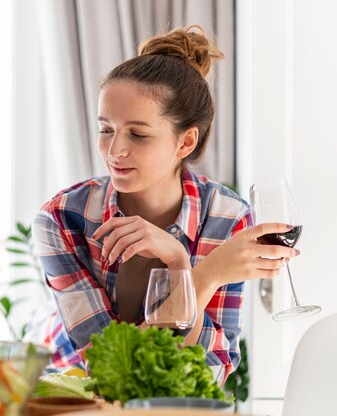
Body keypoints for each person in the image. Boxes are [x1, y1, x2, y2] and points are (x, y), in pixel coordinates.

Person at [32, 25, 298, 384]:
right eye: (106, 129)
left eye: (138, 134)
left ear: (185, 142)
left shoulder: (227, 219)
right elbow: (109, 371)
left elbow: (209, 373)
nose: (115, 151)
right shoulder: (63, 219)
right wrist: (203, 276)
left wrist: (179, 262)